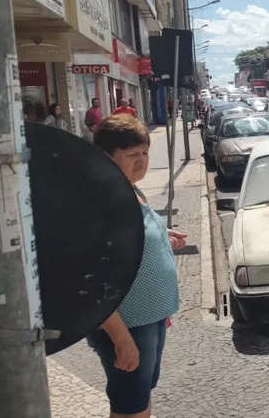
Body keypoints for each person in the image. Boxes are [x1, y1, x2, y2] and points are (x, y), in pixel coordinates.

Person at [89, 114, 186, 418]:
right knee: (130, 403)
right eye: (132, 155)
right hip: (127, 324)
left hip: (150, 317)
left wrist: (160, 235)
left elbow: (133, 237)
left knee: (139, 396)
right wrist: (121, 339)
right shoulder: (101, 202)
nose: (142, 161)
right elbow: (91, 280)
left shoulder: (130, 188)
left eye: (145, 152)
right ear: (106, 157)